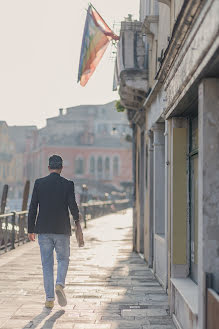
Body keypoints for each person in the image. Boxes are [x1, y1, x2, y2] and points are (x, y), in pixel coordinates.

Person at [28, 154, 82, 309]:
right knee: (63, 259)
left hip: (43, 230)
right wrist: (77, 222)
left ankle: (49, 299)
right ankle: (59, 284)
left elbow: (33, 208)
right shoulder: (67, 184)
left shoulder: (39, 183)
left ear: (49, 168)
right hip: (62, 229)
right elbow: (73, 206)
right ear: (61, 168)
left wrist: (30, 229)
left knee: (47, 264)